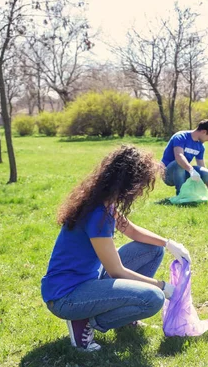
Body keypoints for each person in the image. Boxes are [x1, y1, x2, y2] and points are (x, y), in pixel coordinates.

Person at [41, 145, 193, 351]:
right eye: (141, 185)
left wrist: (168, 243)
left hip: (87, 281)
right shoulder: (98, 214)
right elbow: (116, 271)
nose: (141, 191)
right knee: (153, 298)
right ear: (128, 182)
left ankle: (123, 315)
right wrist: (163, 287)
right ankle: (85, 321)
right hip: (67, 297)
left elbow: (132, 231)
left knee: (153, 249)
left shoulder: (103, 203)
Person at [161, 119, 208, 198]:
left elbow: (201, 165)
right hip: (168, 174)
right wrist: (191, 170)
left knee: (206, 173)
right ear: (204, 132)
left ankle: (192, 193)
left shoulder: (200, 146)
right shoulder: (180, 137)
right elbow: (179, 156)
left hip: (184, 172)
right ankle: (181, 195)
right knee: (179, 163)